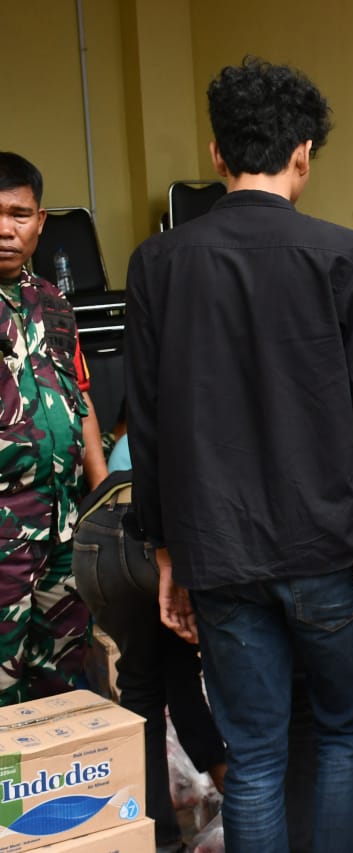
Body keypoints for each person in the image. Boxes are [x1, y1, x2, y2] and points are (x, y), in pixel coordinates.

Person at [125, 58, 353, 853]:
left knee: (253, 756)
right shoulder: (345, 254)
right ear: (304, 154)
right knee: (342, 736)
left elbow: (146, 424)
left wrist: (166, 549)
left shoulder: (158, 263)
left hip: (218, 551)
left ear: (217, 154)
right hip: (327, 544)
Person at [72, 429, 227, 853]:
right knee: (190, 677)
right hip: (163, 535)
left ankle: (158, 840)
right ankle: (244, 799)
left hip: (97, 537)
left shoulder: (139, 428)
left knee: (145, 682)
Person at [0, 151, 106, 706]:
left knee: (62, 675)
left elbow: (79, 397)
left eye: (19, 215)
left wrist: (104, 497)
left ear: (40, 221)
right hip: (3, 527)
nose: (5, 229)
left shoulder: (54, 302)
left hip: (62, 525)